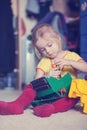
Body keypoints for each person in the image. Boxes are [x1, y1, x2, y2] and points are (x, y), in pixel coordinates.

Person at [0, 24, 87, 117]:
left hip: (66, 94)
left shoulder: (71, 56)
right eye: (43, 50)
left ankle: (50, 108)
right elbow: (36, 81)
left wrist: (70, 62)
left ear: (58, 38)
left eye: (50, 45)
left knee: (75, 95)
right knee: (31, 87)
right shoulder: (45, 61)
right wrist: (47, 76)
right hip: (48, 94)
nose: (48, 51)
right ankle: (17, 105)